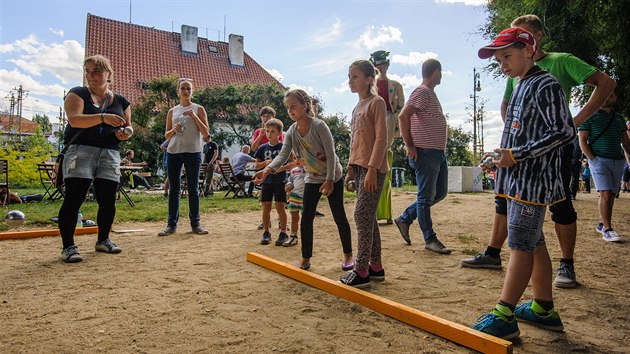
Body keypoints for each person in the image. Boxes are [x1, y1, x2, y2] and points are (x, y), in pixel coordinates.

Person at [461, 14, 616, 289]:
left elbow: (604, 84)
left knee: (558, 208)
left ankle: (566, 264)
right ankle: (510, 269)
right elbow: (509, 107)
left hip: (547, 160)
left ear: (534, 39)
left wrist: (575, 122)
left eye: (510, 48)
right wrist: (507, 148)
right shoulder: (518, 76)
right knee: (520, 223)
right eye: (499, 58)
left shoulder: (559, 64)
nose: (503, 62)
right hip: (522, 163)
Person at [471, 27, 576, 340]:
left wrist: (516, 154)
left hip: (532, 184)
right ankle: (544, 307)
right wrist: (499, 156)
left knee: (519, 244)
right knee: (534, 242)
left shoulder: (545, 83)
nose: (502, 63)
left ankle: (504, 314)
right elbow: (521, 132)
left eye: (507, 56)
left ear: (528, 50)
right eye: (498, 59)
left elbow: (563, 131)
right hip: (519, 181)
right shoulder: (520, 83)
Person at [253, 89, 352, 271]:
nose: (290, 110)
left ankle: (348, 256)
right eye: (288, 107)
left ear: (305, 106)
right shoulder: (292, 130)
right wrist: (266, 171)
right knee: (306, 218)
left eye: (294, 106)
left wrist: (329, 180)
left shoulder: (319, 126)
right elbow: (283, 154)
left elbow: (331, 155)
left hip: (332, 176)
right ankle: (306, 258)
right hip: (312, 178)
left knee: (339, 216)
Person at [58, 54, 132, 263]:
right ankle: (68, 246)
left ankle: (103, 239)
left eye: (97, 72)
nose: (91, 76)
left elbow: (128, 125)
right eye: (88, 72)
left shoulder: (121, 100)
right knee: (75, 197)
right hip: (81, 150)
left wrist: (126, 132)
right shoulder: (77, 94)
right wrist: (102, 117)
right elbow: (74, 119)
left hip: (110, 151)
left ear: (108, 74)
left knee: (108, 199)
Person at [393, 58, 451, 254]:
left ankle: (405, 218)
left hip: (436, 152)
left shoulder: (429, 94)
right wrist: (409, 145)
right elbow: (403, 116)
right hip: (425, 152)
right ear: (435, 71)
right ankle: (430, 239)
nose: (441, 76)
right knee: (425, 197)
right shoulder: (422, 92)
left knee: (439, 193)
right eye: (440, 72)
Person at [339, 60, 388, 289]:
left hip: (373, 169)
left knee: (361, 215)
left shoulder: (376, 103)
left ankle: (361, 270)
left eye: (355, 76)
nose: (351, 80)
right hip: (358, 168)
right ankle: (376, 266)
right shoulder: (356, 107)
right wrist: (350, 168)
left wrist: (371, 169)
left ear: (369, 79)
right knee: (368, 217)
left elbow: (381, 139)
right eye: (349, 76)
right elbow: (354, 142)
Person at [158, 78, 210, 236]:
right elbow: (166, 135)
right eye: (183, 88)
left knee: (193, 189)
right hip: (173, 151)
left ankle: (196, 224)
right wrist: (173, 129)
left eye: (189, 88)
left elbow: (206, 134)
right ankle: (171, 225)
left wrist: (194, 116)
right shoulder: (172, 111)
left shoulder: (198, 108)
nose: (186, 91)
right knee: (174, 189)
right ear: (178, 91)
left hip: (193, 152)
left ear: (192, 90)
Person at [578, 91, 630, 242]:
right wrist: (593, 159)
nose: (608, 97)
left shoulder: (619, 119)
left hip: (617, 160)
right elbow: (582, 140)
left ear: (614, 97)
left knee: (611, 195)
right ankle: (608, 229)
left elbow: (625, 143)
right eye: (605, 94)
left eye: (611, 95)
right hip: (599, 160)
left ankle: (602, 223)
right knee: (606, 193)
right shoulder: (588, 117)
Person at [370, 50, 405, 225]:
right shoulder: (370, 84)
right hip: (375, 119)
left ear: (387, 65)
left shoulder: (396, 85)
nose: (381, 68)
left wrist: (395, 120)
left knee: (385, 158)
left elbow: (401, 107)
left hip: (390, 119)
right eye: (378, 65)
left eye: (383, 65)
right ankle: (375, 212)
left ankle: (386, 213)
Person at [254, 118, 292, 245]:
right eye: (268, 131)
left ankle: (283, 232)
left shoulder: (284, 147)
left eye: (272, 131)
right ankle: (266, 232)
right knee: (266, 207)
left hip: (280, 180)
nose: (269, 134)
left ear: (279, 133)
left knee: (280, 206)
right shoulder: (262, 148)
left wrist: (282, 168)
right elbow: (256, 166)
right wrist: (266, 163)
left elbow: (293, 162)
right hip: (267, 181)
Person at [284, 161, 305, 247]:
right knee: (294, 216)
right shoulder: (294, 171)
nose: (297, 161)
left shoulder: (310, 171)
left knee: (306, 218)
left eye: (300, 158)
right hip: (294, 195)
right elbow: (290, 182)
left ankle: (306, 236)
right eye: (296, 158)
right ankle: (293, 236)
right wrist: (288, 189)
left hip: (306, 196)